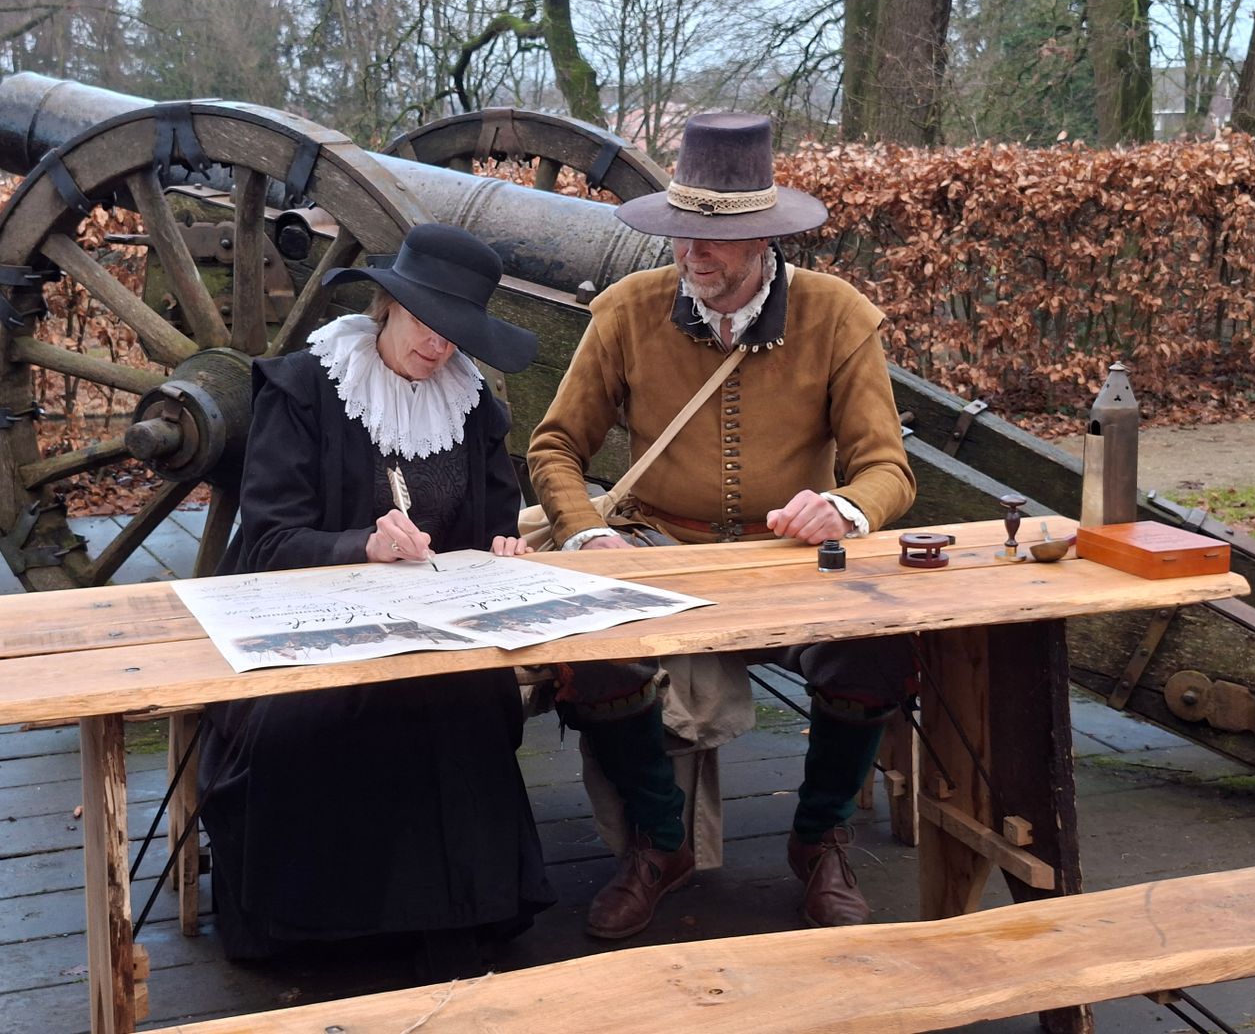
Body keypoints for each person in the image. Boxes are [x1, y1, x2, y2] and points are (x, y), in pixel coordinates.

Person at [528, 112, 917, 938]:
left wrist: (842, 508)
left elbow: (888, 468)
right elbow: (556, 446)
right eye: (681, 234)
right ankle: (660, 844)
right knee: (591, 654)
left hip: (792, 562)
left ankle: (818, 842)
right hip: (660, 549)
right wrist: (587, 533)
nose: (692, 253)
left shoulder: (839, 316)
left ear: (763, 239)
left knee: (880, 648)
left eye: (714, 240)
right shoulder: (626, 312)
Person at [199, 222, 553, 976]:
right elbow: (265, 542)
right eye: (429, 324)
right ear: (388, 304)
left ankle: (455, 917)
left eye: (458, 334)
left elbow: (490, 532)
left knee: (464, 701)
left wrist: (503, 553)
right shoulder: (303, 389)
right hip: (302, 621)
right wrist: (362, 545)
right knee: (326, 713)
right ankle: (318, 932)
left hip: (439, 627)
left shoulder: (474, 409)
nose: (441, 347)